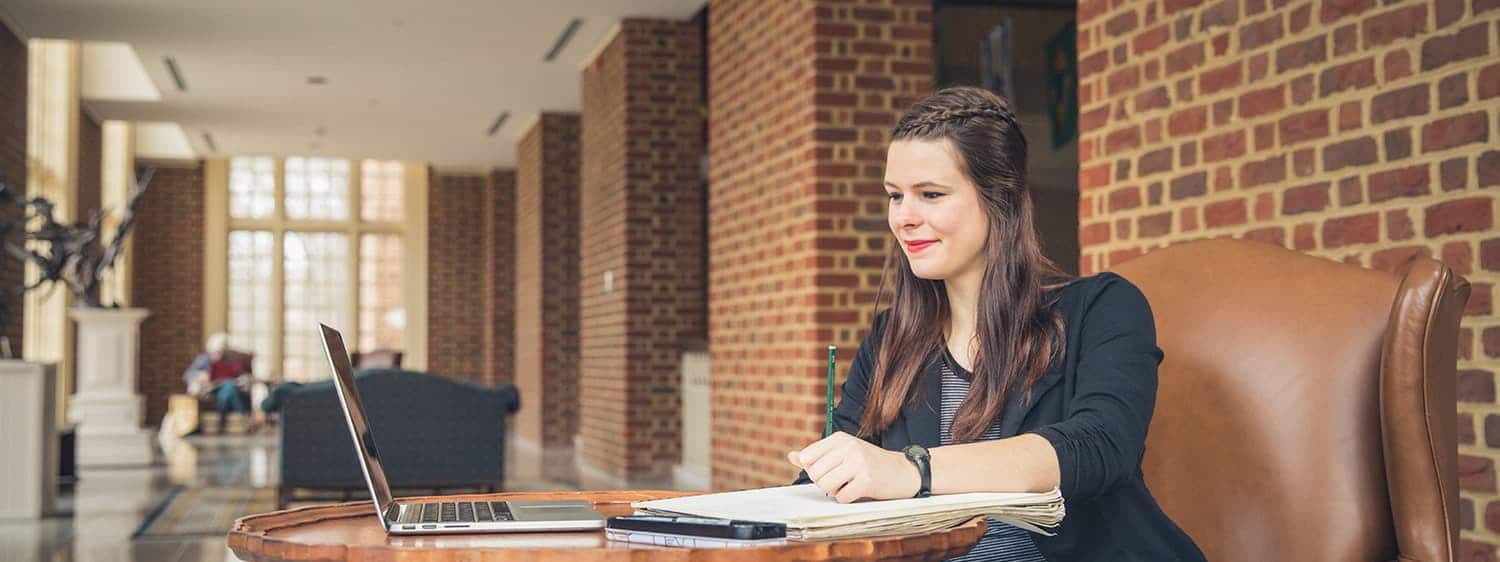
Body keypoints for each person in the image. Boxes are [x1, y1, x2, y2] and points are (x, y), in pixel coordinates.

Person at [786, 86, 1206, 561]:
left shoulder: (1102, 308)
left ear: (999, 197)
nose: (904, 217)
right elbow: (835, 482)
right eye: (894, 196)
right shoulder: (891, 339)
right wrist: (824, 479)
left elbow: (1099, 445)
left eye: (930, 194)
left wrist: (912, 471)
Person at [182, 332, 256, 433]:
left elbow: (242, 375)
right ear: (210, 349)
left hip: (228, 387)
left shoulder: (231, 359)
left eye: (222, 352)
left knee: (227, 389)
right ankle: (246, 417)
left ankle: (222, 422)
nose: (219, 355)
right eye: (216, 352)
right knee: (229, 389)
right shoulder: (203, 359)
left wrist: (242, 378)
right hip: (210, 389)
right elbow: (187, 374)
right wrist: (199, 376)